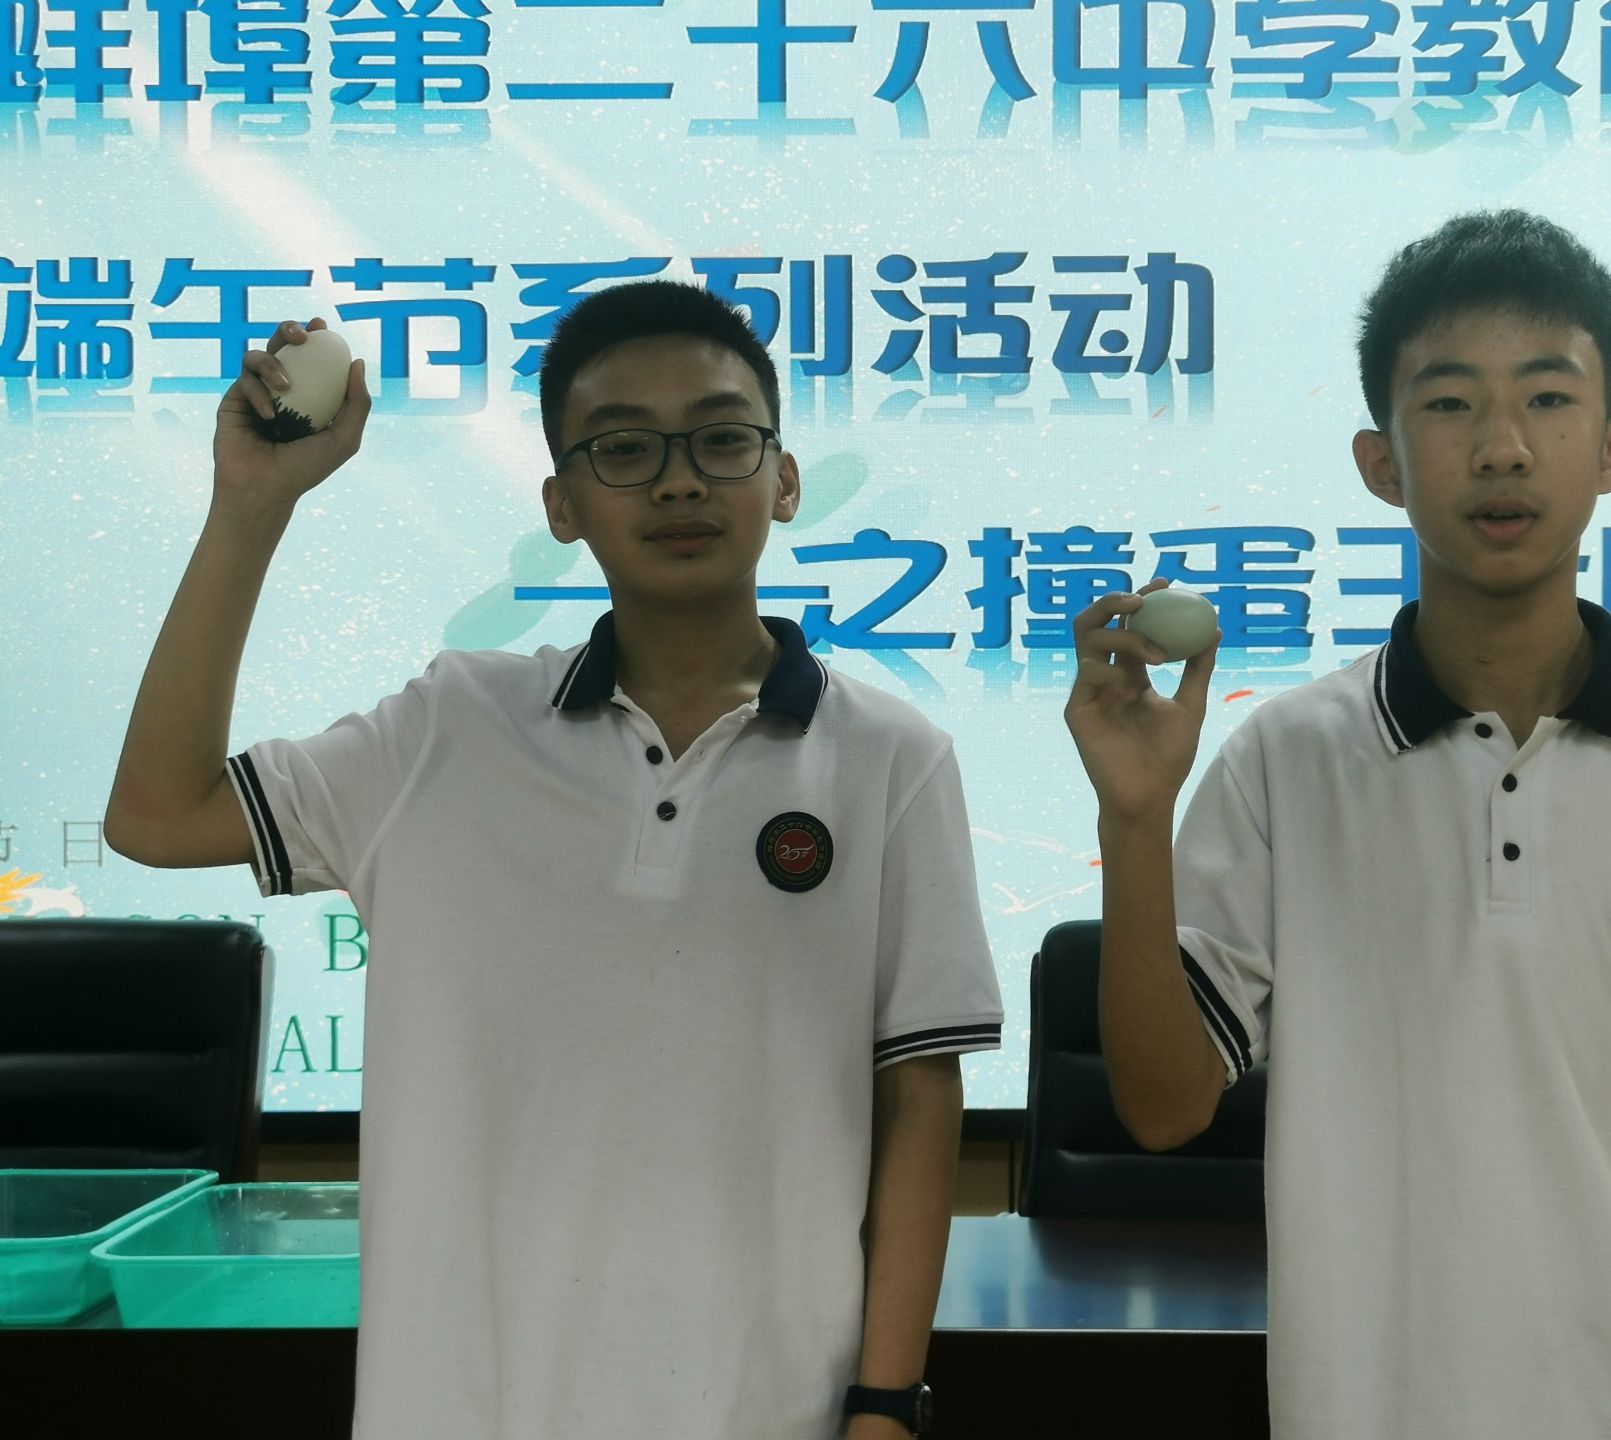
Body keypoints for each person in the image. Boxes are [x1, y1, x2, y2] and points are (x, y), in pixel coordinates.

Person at [105, 281, 1003, 1440]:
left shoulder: (891, 759)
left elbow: (919, 1099)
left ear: (783, 480)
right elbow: (158, 816)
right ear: (562, 504)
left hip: (763, 1405)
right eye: (623, 448)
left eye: (721, 439)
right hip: (457, 1408)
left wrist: (885, 1407)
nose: (678, 481)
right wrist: (250, 505)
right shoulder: (449, 727)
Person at [1065, 211, 1611, 1439]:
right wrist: (1134, 817)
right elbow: (1164, 1108)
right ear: (1381, 463)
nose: (1502, 448)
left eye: (1548, 398)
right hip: (1374, 1405)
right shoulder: (1282, 762)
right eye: (1449, 404)